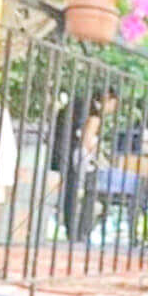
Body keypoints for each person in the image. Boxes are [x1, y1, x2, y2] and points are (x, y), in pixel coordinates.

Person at [55, 86, 119, 244]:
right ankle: (80, 231)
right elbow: (87, 139)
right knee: (87, 190)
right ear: (107, 98)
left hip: (62, 149)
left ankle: (73, 229)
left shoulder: (79, 105)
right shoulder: (93, 113)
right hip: (76, 154)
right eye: (113, 104)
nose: (113, 110)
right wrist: (100, 159)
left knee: (71, 191)